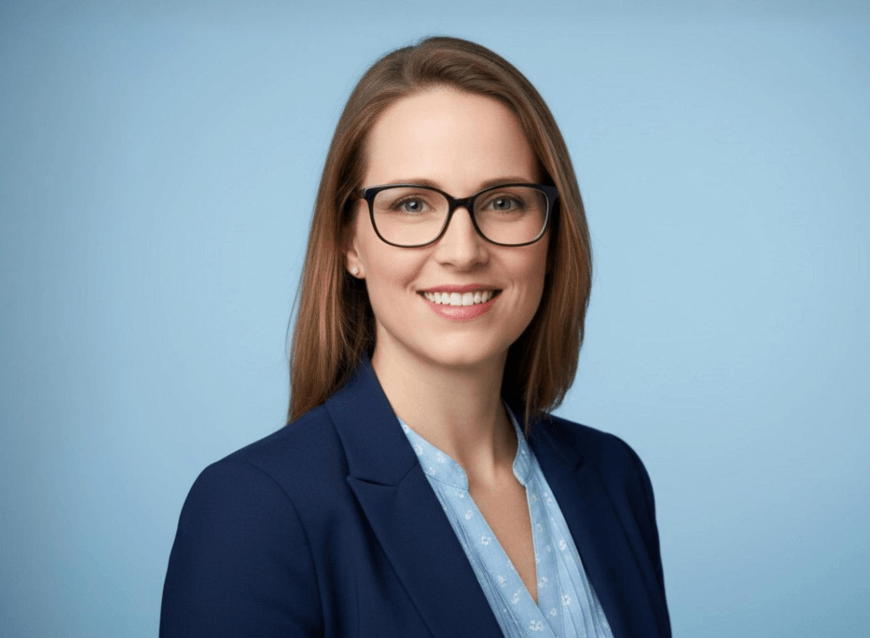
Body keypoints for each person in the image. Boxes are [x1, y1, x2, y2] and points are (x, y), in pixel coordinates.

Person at [160, 36, 671, 638]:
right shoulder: (254, 510)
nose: (463, 251)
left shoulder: (614, 477)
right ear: (349, 242)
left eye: (504, 201)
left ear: (552, 233)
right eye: (411, 205)